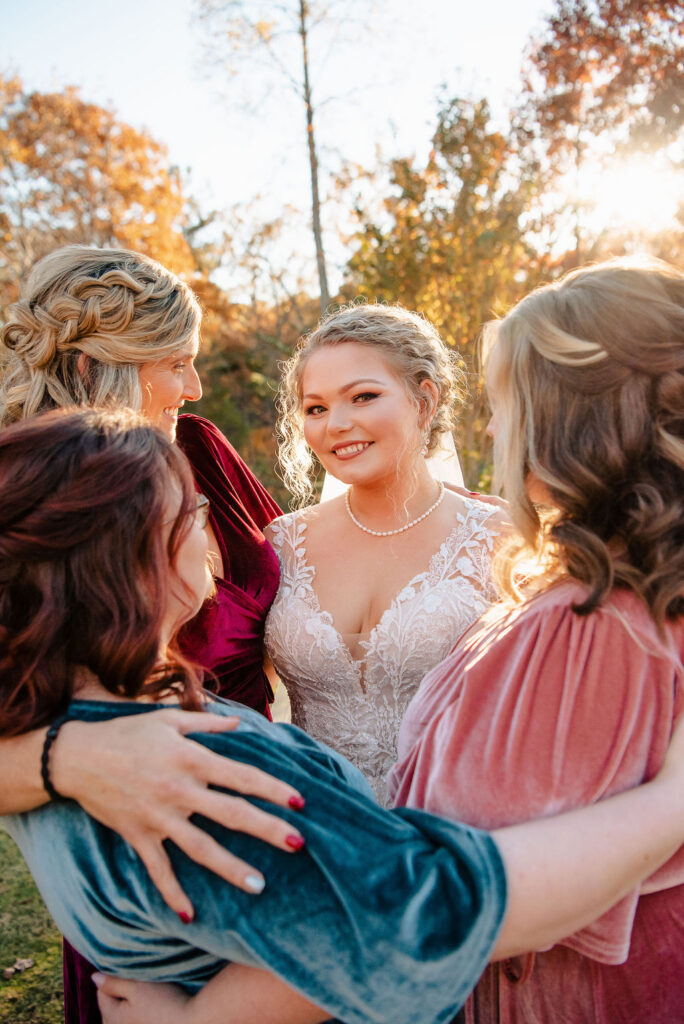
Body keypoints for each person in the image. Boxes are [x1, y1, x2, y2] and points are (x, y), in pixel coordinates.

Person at [3, 407, 684, 1024]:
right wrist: (670, 804)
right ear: (136, 556)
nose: (210, 525)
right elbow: (420, 925)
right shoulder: (191, 764)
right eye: (194, 506)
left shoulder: (44, 726)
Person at [0, 244, 291, 1024]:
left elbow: (293, 565)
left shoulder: (202, 451)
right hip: (143, 867)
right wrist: (78, 756)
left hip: (280, 814)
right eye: (179, 363)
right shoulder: (20, 499)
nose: (195, 388)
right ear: (103, 366)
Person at [388, 256, 684, 1022]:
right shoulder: (646, 598)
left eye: (504, 403)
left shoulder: (595, 626)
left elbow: (456, 894)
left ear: (573, 421)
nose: (490, 428)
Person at [265, 304, 506, 803]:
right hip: (315, 833)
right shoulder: (279, 544)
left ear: (424, 401)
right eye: (316, 408)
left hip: (454, 832)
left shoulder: (500, 537)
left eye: (363, 397)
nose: (336, 424)